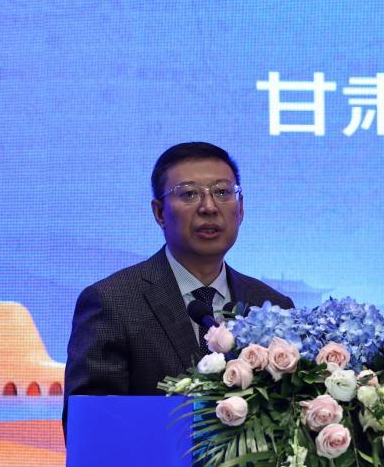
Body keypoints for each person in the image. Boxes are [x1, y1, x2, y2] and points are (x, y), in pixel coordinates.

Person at [64, 142, 292, 425]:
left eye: (222, 192)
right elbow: (91, 426)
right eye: (189, 194)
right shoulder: (113, 303)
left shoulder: (273, 307)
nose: (209, 207)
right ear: (160, 212)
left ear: (241, 208)